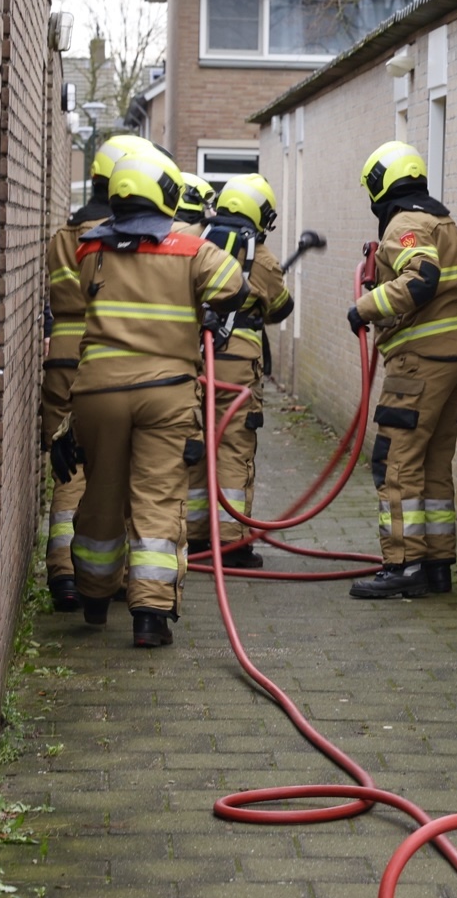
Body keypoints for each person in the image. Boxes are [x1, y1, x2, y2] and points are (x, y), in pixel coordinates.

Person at [68, 146, 248, 647]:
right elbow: (235, 285)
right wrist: (208, 311)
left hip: (97, 391)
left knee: (101, 493)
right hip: (166, 395)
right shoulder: (191, 247)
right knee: (158, 495)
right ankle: (149, 614)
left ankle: (94, 597)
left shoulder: (89, 248)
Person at [346, 141, 457, 599]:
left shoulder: (404, 223)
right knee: (434, 463)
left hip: (419, 360)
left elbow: (421, 278)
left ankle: (402, 565)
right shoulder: (441, 219)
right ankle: (437, 565)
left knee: (396, 461)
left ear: (382, 184)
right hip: (453, 354)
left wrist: (364, 307)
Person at [41, 133, 155, 612]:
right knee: (118, 470)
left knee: (69, 466)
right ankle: (116, 577)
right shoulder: (121, 238)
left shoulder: (63, 239)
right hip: (110, 354)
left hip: (64, 357)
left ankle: (66, 575)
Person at [185, 174, 293, 568]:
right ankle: (230, 544)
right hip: (238, 364)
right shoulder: (260, 258)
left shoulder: (198, 243)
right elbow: (280, 308)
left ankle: (196, 538)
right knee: (233, 446)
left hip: (198, 359)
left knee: (196, 443)